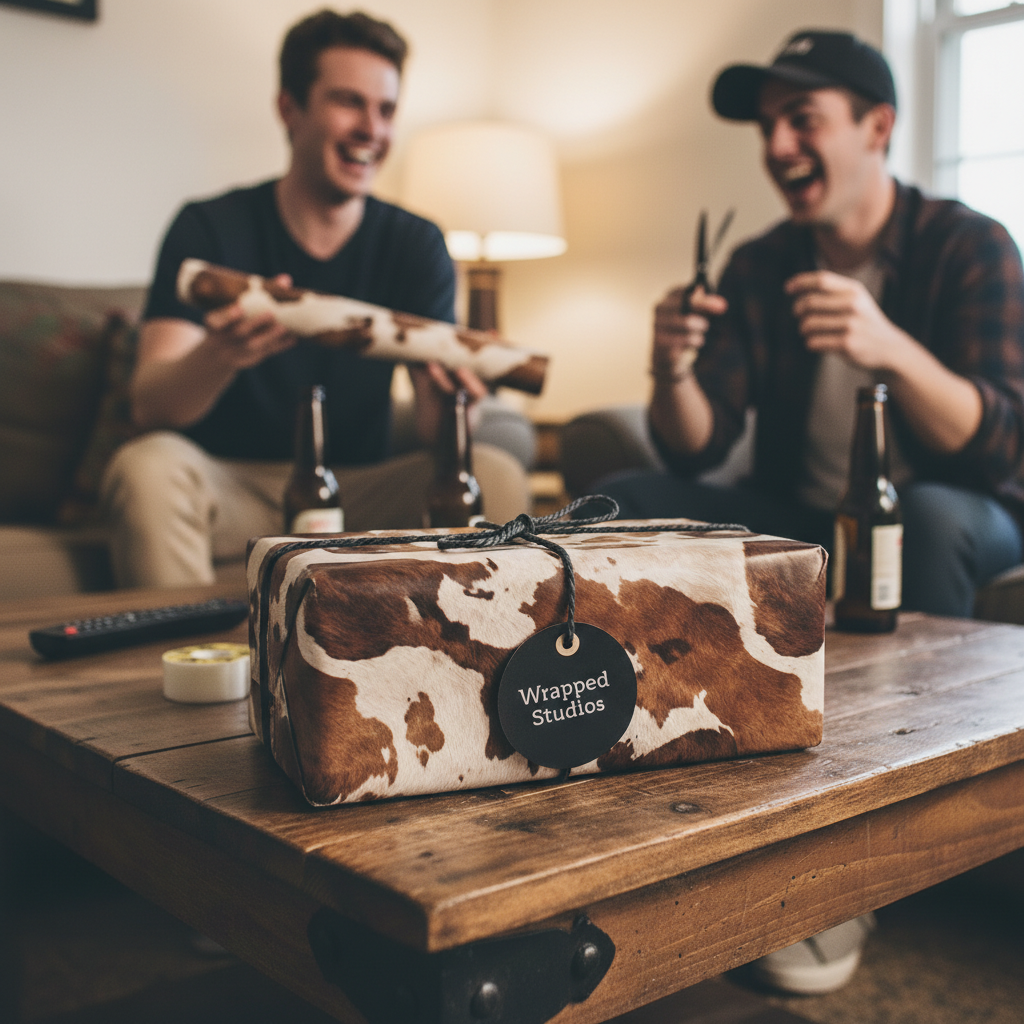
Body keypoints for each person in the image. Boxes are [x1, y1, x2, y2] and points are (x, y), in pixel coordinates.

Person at [602, 29, 1024, 621]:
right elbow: (696, 450)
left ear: (877, 127)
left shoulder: (971, 246)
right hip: (806, 516)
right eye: (767, 126)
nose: (777, 145)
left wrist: (892, 352)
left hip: (958, 511)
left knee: (927, 515)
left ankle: (911, 713)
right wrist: (671, 370)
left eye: (802, 120)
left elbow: (1000, 445)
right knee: (622, 499)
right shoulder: (760, 264)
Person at [101, 9, 531, 589]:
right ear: (289, 108)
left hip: (360, 488)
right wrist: (222, 353)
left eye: (385, 110)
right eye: (348, 102)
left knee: (495, 472)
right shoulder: (208, 228)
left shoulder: (416, 242)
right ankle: (192, 670)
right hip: (233, 485)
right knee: (146, 467)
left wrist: (462, 398)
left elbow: (433, 427)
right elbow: (150, 404)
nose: (371, 129)